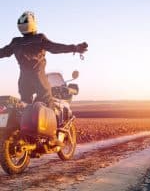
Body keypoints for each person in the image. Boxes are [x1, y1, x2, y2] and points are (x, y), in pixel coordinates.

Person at [0, 11, 88, 147]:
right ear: (33, 24)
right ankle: (52, 137)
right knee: (48, 103)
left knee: (25, 107)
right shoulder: (39, 39)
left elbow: (3, 52)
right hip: (39, 79)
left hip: (24, 81)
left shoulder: (16, 42)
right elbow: (56, 48)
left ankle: (27, 136)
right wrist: (75, 48)